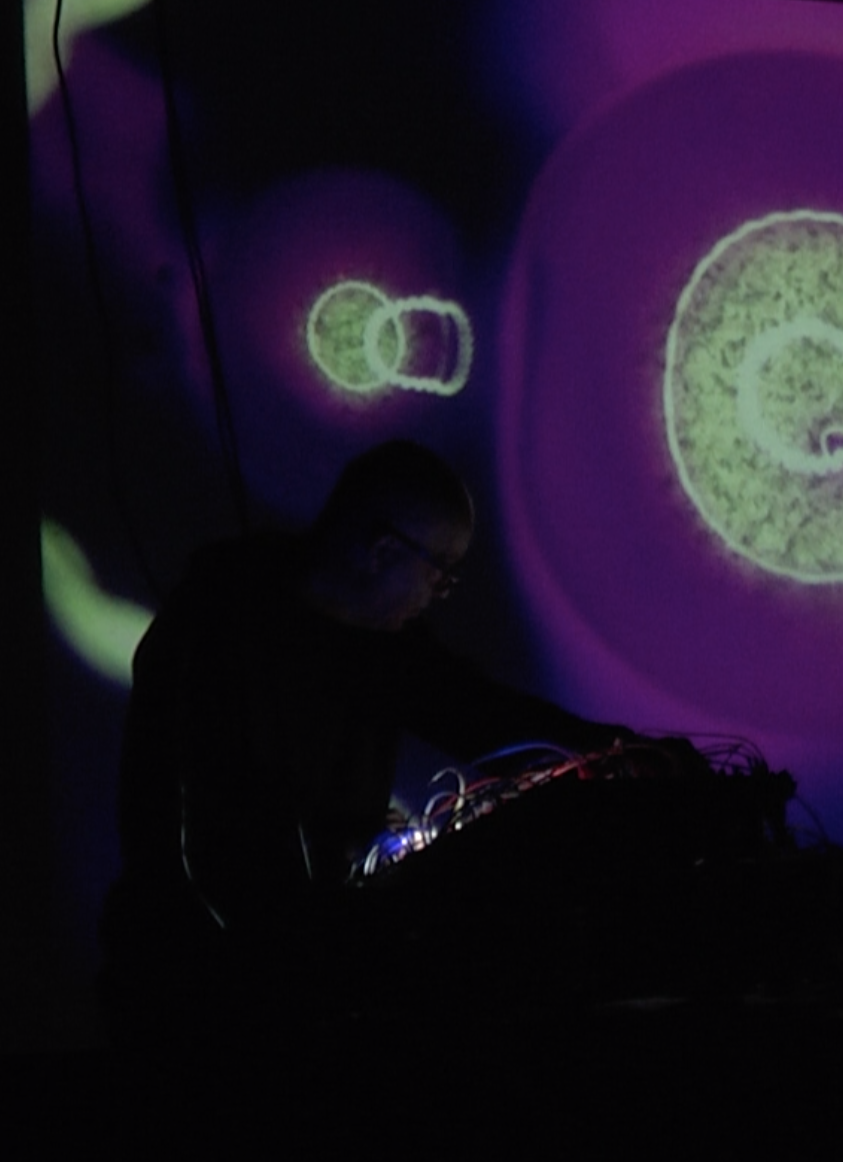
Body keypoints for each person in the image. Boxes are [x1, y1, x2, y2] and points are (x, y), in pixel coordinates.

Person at [100, 440, 639, 1030]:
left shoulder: (386, 648)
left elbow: (475, 710)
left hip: (297, 974)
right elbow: (183, 843)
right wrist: (290, 964)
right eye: (440, 570)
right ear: (382, 551)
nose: (440, 592)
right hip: (198, 989)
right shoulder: (214, 626)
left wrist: (612, 750)